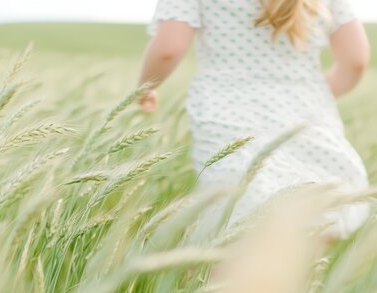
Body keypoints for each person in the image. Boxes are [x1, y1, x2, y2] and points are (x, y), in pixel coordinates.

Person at [136, 0, 372, 246]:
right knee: (309, 225)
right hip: (308, 114)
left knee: (232, 226)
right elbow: (355, 60)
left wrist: (144, 88)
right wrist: (313, 97)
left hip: (227, 112)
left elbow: (168, 48)